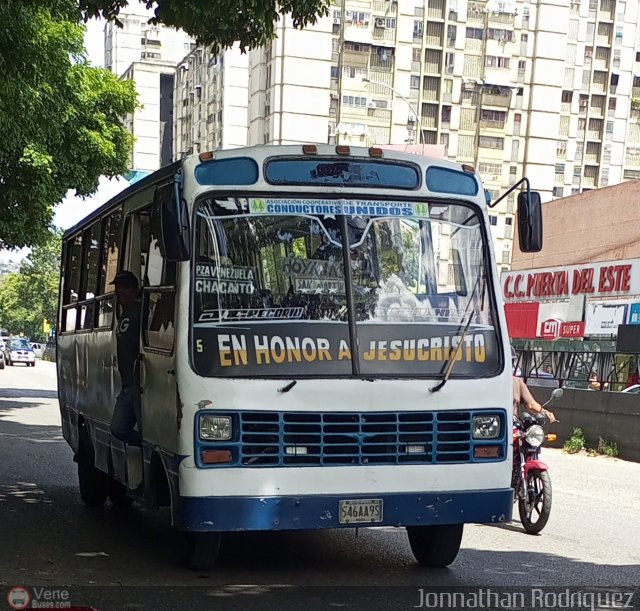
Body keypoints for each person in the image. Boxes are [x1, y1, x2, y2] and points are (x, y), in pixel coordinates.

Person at [110, 271, 142, 445]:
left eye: (125, 287)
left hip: (140, 385)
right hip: (127, 384)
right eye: (117, 287)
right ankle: (144, 443)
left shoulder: (141, 312)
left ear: (136, 290)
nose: (119, 291)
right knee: (118, 428)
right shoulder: (124, 312)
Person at [511, 346, 556, 423]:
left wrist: (544, 412)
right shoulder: (488, 381)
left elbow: (531, 404)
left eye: (511, 361)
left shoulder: (517, 382)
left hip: (513, 424)